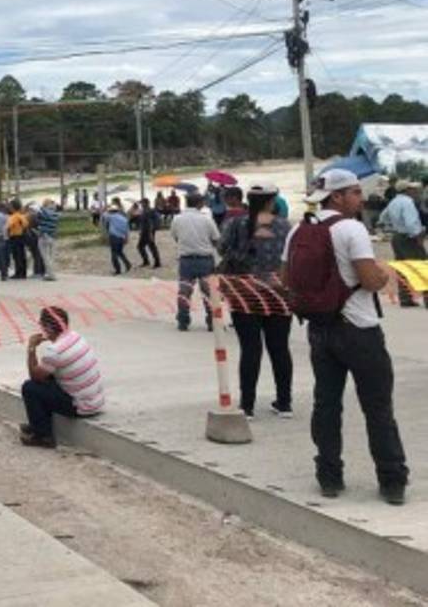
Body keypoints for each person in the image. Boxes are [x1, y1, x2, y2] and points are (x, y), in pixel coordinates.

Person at [283, 169, 408, 504]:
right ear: (336, 196)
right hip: (359, 331)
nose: (360, 197)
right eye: (354, 191)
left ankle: (329, 476)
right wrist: (382, 274)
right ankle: (392, 480)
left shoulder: (297, 230)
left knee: (326, 405)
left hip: (320, 330)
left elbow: (286, 279)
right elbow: (369, 280)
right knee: (378, 408)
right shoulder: (351, 228)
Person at [220, 185, 293, 419]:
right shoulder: (284, 226)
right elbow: (290, 257)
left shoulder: (235, 224)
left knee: (250, 349)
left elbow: (222, 248)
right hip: (277, 292)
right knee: (280, 348)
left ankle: (247, 405)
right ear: (272, 202)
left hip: (244, 293)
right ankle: (284, 403)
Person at [20, 306, 104, 448]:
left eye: (41, 325)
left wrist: (31, 348)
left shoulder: (55, 351)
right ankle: (38, 424)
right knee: (47, 377)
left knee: (30, 387)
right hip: (95, 401)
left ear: (48, 328)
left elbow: (35, 376)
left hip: (81, 406)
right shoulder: (75, 336)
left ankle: (43, 436)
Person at [171, 193, 219, 330]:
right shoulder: (207, 220)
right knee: (209, 293)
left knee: (184, 292)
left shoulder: (177, 219)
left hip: (186, 260)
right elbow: (216, 239)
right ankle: (212, 321)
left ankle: (183, 320)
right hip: (205, 260)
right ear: (200, 203)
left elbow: (175, 237)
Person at [377, 181, 425, 308]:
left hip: (397, 237)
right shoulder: (408, 202)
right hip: (409, 238)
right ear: (407, 190)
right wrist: (417, 235)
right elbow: (411, 222)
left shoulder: (393, 202)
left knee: (403, 268)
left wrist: (391, 227)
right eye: (413, 189)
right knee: (421, 266)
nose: (415, 191)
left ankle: (405, 298)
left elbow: (383, 218)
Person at [35, 199, 60, 281]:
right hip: (53, 236)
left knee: (45, 256)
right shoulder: (56, 214)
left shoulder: (42, 212)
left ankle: (51, 274)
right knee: (52, 257)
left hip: (43, 236)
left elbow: (37, 217)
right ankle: (50, 273)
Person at [104, 201, 131, 275]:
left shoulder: (111, 217)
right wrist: (127, 238)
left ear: (111, 211)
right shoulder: (124, 219)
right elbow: (127, 229)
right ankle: (127, 264)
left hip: (114, 237)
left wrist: (106, 208)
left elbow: (104, 215)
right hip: (122, 237)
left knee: (114, 254)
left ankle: (118, 269)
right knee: (120, 252)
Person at [6, 199, 29, 279]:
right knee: (22, 254)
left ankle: (18, 272)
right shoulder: (22, 216)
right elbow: (26, 225)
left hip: (15, 236)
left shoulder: (13, 217)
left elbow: (8, 226)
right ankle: (23, 272)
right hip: (22, 236)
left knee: (16, 255)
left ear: (13, 207)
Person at [136, 197, 161, 268]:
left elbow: (150, 223)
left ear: (145, 203)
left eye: (142, 203)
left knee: (151, 246)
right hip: (145, 231)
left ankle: (156, 262)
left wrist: (150, 233)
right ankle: (148, 261)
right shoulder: (146, 211)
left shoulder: (148, 211)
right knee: (141, 246)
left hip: (148, 231)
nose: (141, 204)